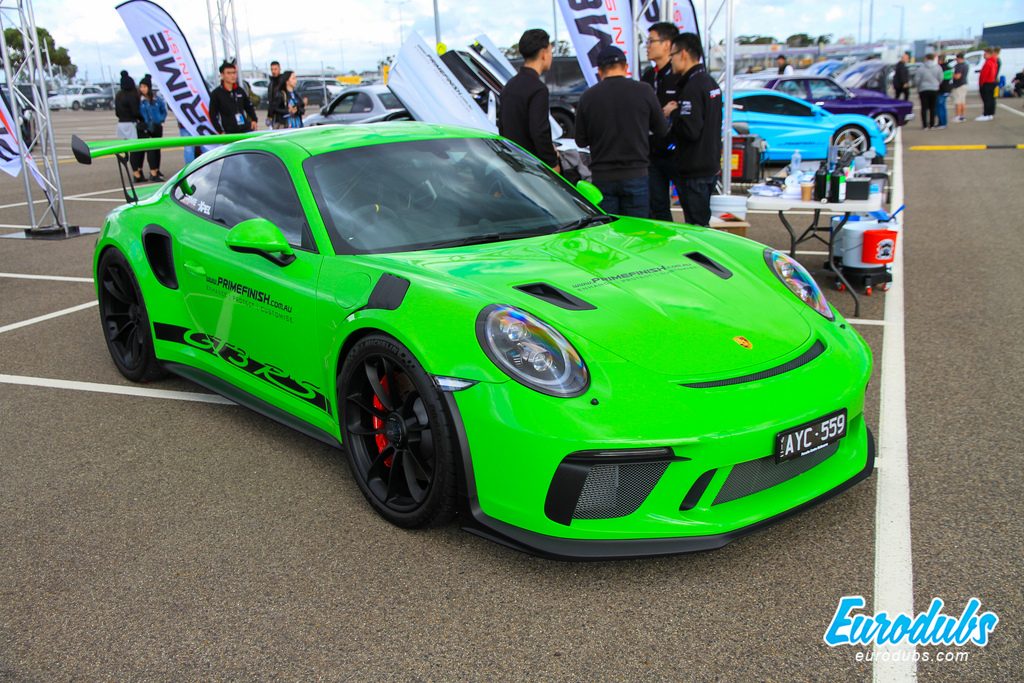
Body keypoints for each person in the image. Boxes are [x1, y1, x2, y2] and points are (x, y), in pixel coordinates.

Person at [574, 46, 668, 218]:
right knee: (637, 233)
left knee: (608, 234)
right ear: (626, 67)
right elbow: (662, 129)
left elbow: (580, 140)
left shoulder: (588, 97)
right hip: (636, 173)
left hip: (602, 177)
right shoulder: (644, 91)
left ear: (600, 71)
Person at [663, 33, 723, 227]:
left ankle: (705, 259)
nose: (670, 60)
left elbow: (690, 130)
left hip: (694, 170)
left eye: (672, 55)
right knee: (701, 223)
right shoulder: (710, 82)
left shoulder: (693, 86)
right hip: (709, 166)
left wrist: (672, 114)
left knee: (698, 228)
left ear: (684, 54)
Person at [498, 29, 559, 171]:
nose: (551, 56)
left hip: (512, 163)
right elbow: (540, 132)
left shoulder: (509, 86)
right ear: (543, 54)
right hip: (533, 167)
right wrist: (552, 162)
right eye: (550, 51)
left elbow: (502, 126)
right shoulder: (538, 89)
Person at [641, 20, 681, 220]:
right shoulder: (648, 75)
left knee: (691, 206)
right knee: (657, 206)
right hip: (651, 152)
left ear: (667, 44)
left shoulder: (679, 75)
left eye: (651, 41)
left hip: (677, 151)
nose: (647, 46)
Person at [209, 60, 257, 133]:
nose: (232, 76)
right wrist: (220, 131)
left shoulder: (240, 90)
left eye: (234, 73)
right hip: (229, 132)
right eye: (228, 73)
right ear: (222, 75)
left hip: (245, 129)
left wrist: (254, 119)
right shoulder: (216, 93)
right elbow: (213, 115)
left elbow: (248, 106)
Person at [113, 71, 145, 182]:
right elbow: (135, 112)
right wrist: (142, 119)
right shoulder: (132, 95)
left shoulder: (118, 95)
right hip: (131, 124)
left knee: (129, 149)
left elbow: (116, 112)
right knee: (136, 150)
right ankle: (137, 172)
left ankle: (135, 171)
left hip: (121, 124)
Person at [135, 74, 167, 181]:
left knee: (157, 150)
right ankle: (152, 172)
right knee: (149, 150)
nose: (143, 89)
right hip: (145, 128)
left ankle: (156, 169)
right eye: (141, 87)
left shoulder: (156, 98)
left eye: (144, 86)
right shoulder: (140, 101)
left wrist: (160, 119)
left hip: (157, 127)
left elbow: (164, 110)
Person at [913, 53, 941, 129]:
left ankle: (925, 125)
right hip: (934, 89)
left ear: (926, 58)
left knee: (924, 108)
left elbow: (917, 80)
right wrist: (937, 84)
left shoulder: (921, 68)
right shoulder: (938, 67)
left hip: (923, 89)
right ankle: (932, 124)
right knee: (933, 107)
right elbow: (940, 78)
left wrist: (918, 86)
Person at [977, 48, 998, 121]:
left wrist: (981, 83)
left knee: (987, 99)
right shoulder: (994, 61)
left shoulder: (988, 62)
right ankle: (990, 114)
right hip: (992, 83)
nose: (984, 55)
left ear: (989, 54)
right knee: (991, 99)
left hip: (987, 83)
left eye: (985, 54)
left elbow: (985, 75)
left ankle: (986, 114)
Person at [935, 55, 953, 129]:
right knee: (942, 107)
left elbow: (940, 80)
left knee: (940, 107)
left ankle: (942, 123)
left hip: (941, 90)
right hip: (947, 89)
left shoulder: (940, 68)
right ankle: (942, 123)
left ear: (940, 60)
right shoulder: (949, 67)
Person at [951, 52, 970, 122]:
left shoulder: (959, 66)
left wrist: (951, 74)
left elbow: (957, 76)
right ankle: (962, 116)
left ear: (958, 58)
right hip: (964, 84)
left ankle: (958, 116)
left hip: (958, 85)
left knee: (958, 101)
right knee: (962, 101)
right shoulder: (966, 65)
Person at [265, 60, 282, 128]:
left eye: (275, 69)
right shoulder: (271, 84)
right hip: (274, 115)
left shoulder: (283, 83)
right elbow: (271, 100)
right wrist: (269, 115)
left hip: (282, 115)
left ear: (279, 69)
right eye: (272, 69)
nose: (273, 71)